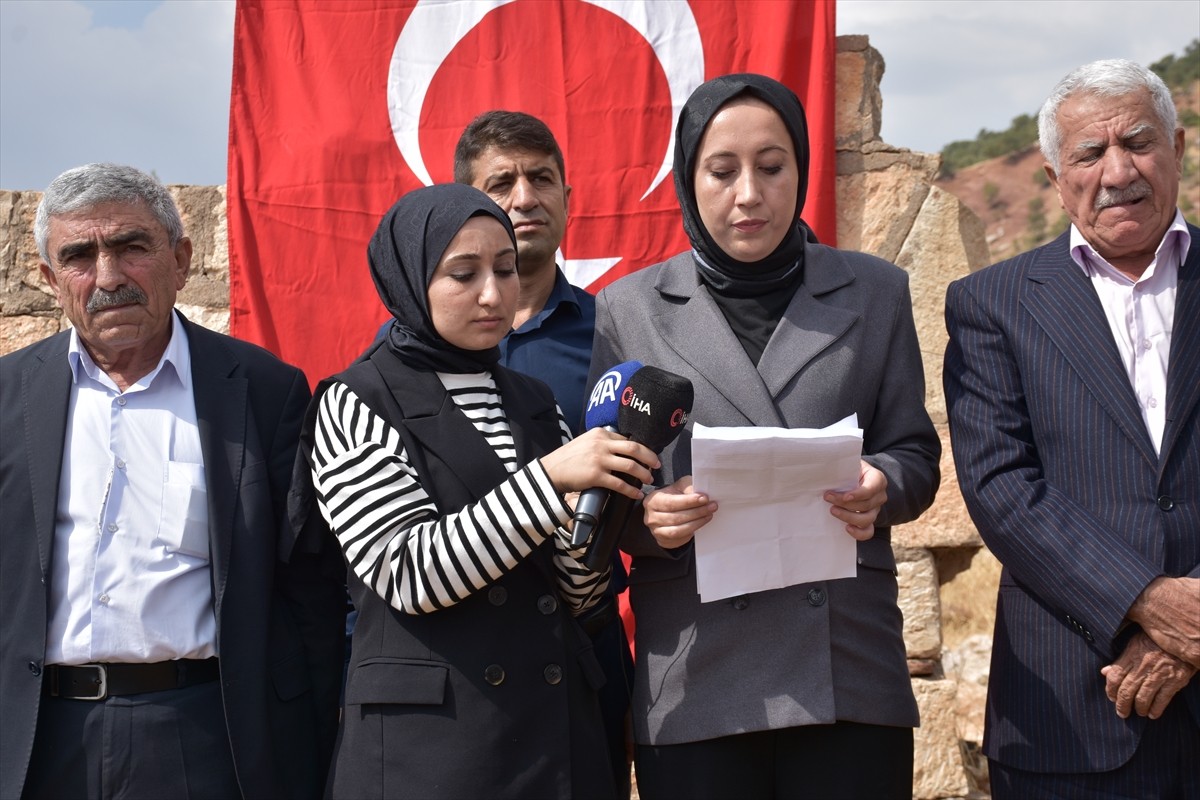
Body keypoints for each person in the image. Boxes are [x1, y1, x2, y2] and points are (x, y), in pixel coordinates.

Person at [587, 74, 941, 799]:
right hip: (697, 674)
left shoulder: (875, 292)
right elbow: (607, 491)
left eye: (772, 167)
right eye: (722, 171)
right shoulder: (628, 309)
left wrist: (882, 484)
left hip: (845, 667)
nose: (749, 194)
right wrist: (652, 518)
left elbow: (915, 454)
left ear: (801, 170)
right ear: (690, 178)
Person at [0, 163, 344, 800]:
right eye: (79, 256)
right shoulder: (8, 397)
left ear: (182, 259)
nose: (108, 277)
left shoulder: (264, 392)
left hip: (202, 734)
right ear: (49, 280)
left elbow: (311, 594)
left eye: (132, 247)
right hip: (36, 739)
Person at [307, 183, 659, 799]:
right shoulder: (354, 400)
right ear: (410, 280)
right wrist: (552, 482)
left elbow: (576, 593)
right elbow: (409, 572)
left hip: (553, 740)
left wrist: (601, 515)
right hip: (433, 752)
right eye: (463, 274)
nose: (494, 294)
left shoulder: (535, 402)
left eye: (506, 268)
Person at [944, 59, 1199, 798]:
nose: (1118, 170)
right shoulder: (994, 304)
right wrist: (1149, 602)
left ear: (1178, 148)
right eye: (1090, 153)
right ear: (1057, 178)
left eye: (1139, 143)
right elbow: (1003, 490)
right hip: (1072, 717)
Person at [369, 110, 634, 795]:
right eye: (503, 182)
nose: (525, 197)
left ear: (569, 197)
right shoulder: (378, 377)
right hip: (445, 686)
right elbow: (400, 561)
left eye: (542, 178)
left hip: (570, 653)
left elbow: (608, 516)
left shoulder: (612, 332)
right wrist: (553, 479)